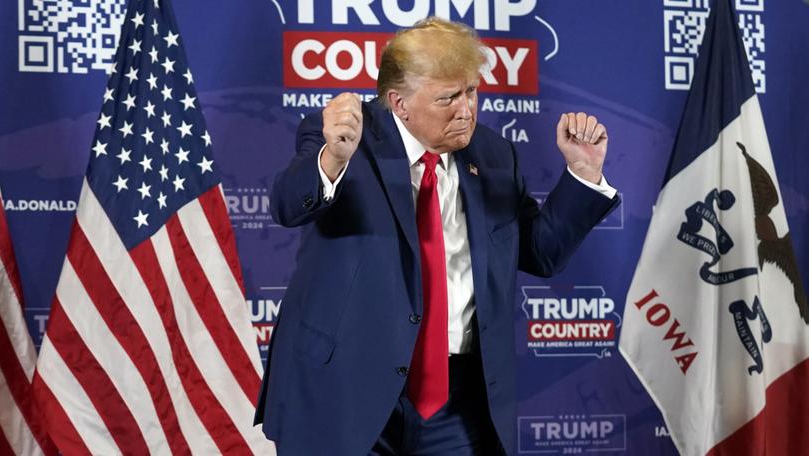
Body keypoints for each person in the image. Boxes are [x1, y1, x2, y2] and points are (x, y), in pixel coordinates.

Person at [255, 17, 620, 455]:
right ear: (399, 103)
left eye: (471, 92)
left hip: (456, 403)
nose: (465, 109)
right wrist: (331, 158)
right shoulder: (345, 137)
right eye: (448, 98)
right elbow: (287, 204)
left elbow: (539, 253)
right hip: (344, 390)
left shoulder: (494, 153)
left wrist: (581, 176)